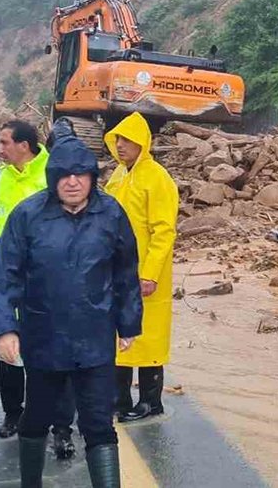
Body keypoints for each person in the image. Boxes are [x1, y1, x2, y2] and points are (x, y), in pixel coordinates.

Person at [0, 133, 142, 488]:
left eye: (81, 175)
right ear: (53, 177)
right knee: (36, 418)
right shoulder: (28, 215)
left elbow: (125, 272)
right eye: (64, 175)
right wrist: (5, 328)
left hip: (95, 339)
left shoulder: (110, 214)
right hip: (44, 337)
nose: (72, 182)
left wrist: (128, 323)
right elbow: (2, 275)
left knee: (99, 424)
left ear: (92, 178)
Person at [0, 120, 77, 453]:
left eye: (3, 142)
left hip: (54, 290)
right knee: (10, 352)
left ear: (25, 145)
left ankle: (62, 426)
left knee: (59, 358)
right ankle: (13, 414)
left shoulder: (57, 173)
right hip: (9, 286)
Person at [103, 113, 178, 422]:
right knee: (119, 334)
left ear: (142, 143)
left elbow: (165, 231)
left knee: (148, 336)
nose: (120, 145)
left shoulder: (157, 178)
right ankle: (119, 399)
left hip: (146, 272)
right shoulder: (118, 176)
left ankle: (150, 401)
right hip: (116, 270)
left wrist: (149, 273)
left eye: (127, 140)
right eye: (117, 139)